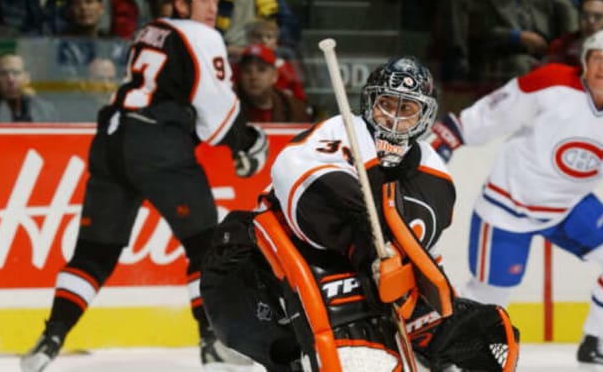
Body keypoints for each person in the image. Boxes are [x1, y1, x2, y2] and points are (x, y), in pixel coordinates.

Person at [199, 56, 520, 371]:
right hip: (255, 275)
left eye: (406, 109)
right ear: (369, 103)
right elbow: (305, 186)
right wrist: (369, 245)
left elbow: (421, 258)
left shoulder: (435, 180)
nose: (393, 119)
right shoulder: (340, 132)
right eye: (386, 104)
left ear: (424, 116)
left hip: (351, 285)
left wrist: (435, 312)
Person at [20, 0, 268, 371]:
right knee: (206, 245)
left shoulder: (150, 30)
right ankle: (211, 343)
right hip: (157, 146)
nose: (211, 7)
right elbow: (218, 115)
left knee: (95, 252)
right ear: (181, 2)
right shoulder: (202, 35)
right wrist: (246, 140)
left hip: (112, 139)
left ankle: (51, 339)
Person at [429, 29, 603, 367]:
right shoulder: (551, 82)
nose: (602, 66)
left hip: (569, 206)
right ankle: (445, 351)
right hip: (509, 205)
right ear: (584, 61)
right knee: (490, 295)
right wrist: (457, 131)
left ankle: (596, 341)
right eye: (596, 57)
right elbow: (500, 109)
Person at [234, 44, 311, 123]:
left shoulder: (294, 109)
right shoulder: (229, 106)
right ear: (240, 76)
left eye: (261, 70)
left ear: (275, 76)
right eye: (247, 71)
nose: (253, 77)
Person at [0, 52, 59, 122]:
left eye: (16, 73)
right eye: (3, 73)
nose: (10, 79)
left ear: (27, 78)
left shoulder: (44, 111)